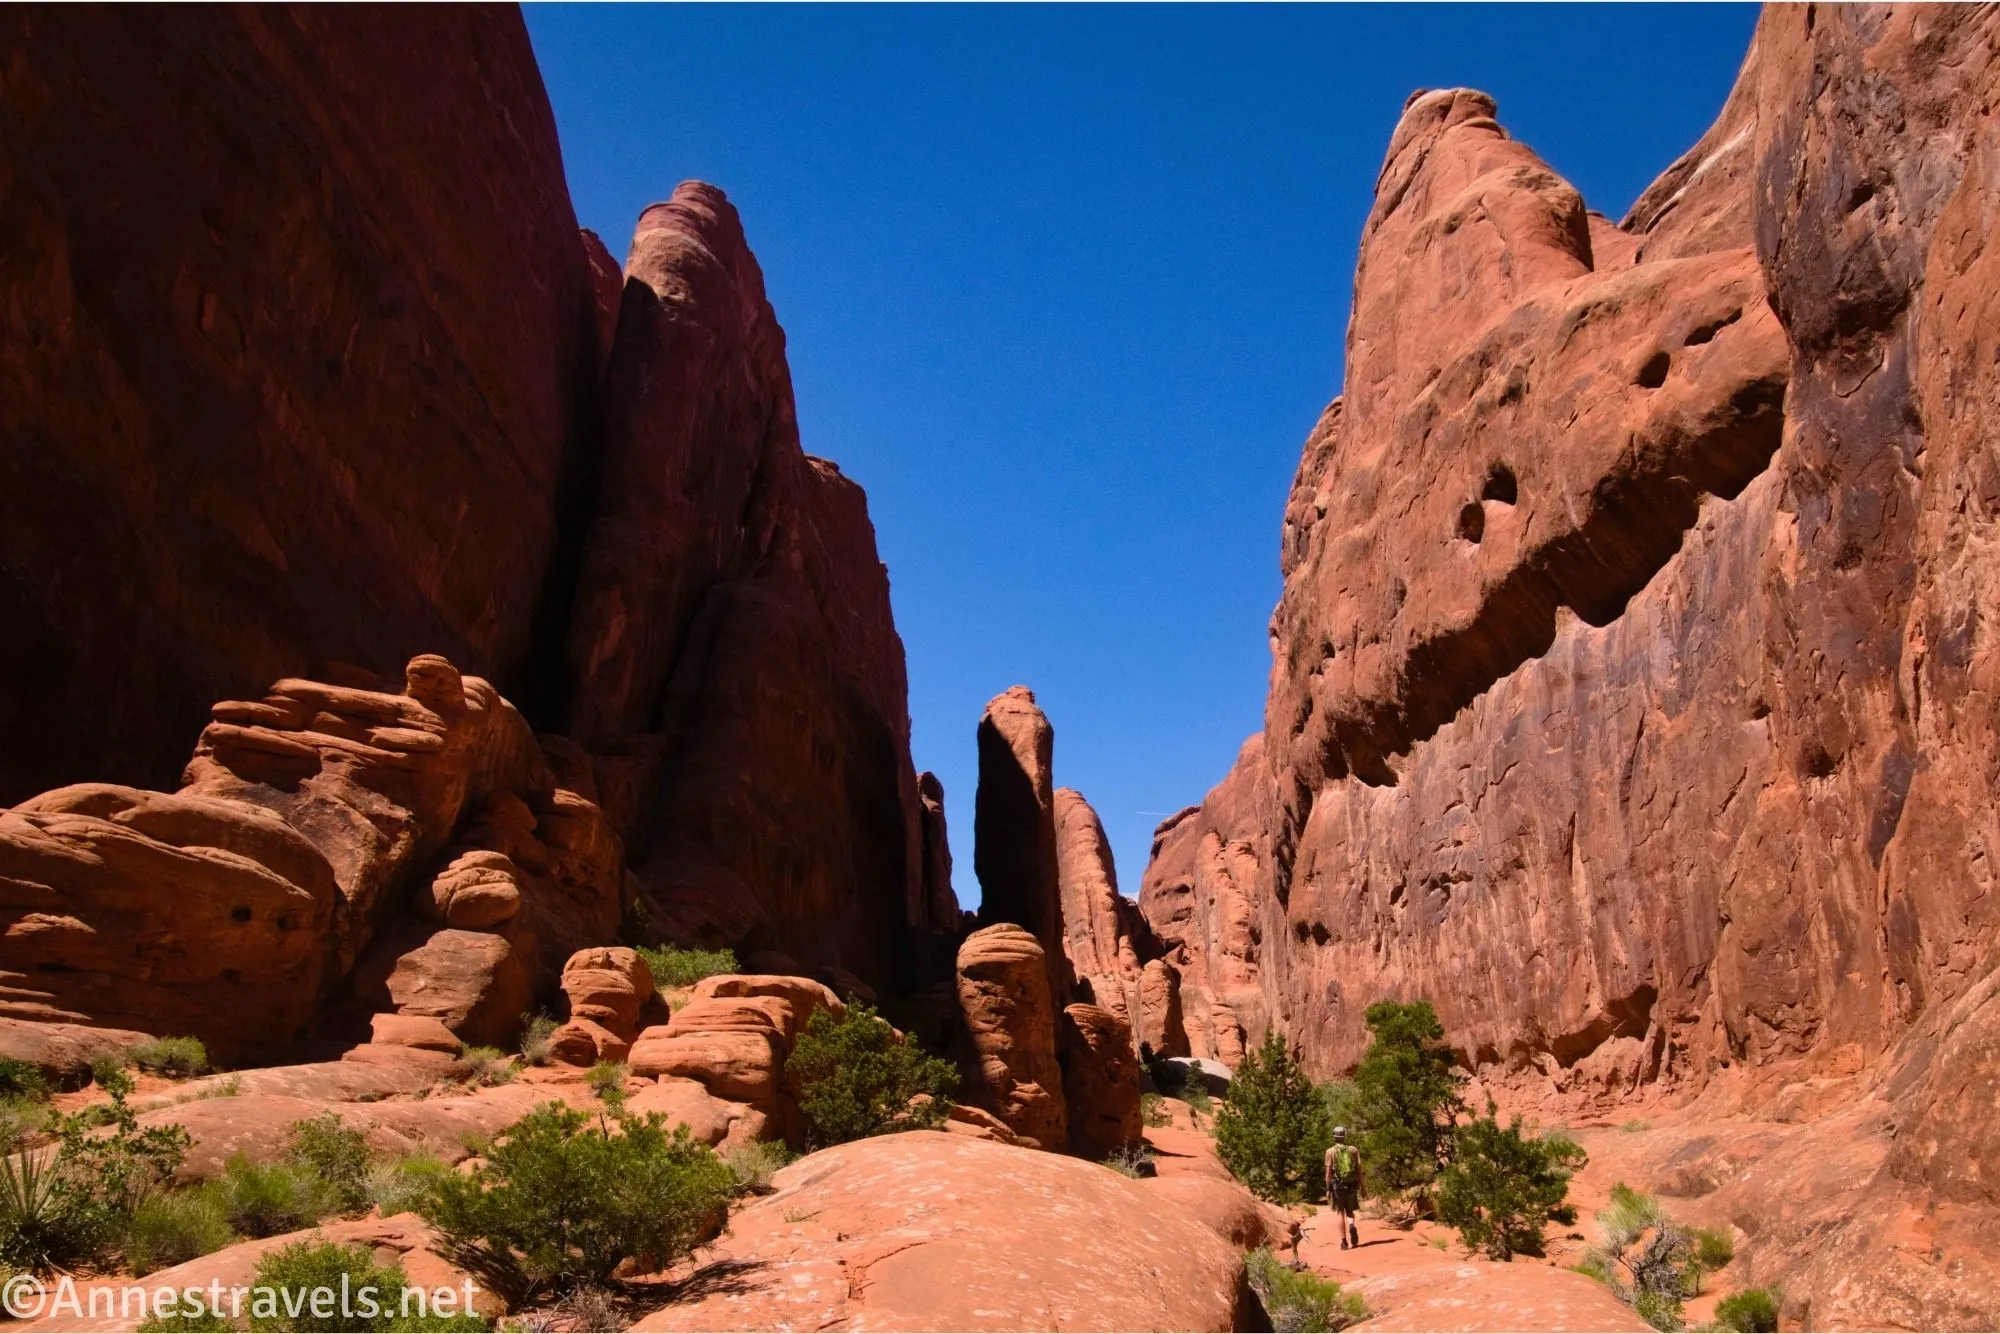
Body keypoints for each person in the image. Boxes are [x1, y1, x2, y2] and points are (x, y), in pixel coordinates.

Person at [1325, 1126, 1362, 1250]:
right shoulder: (1353, 1150)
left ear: (1334, 1136)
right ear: (1344, 1136)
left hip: (1338, 1185)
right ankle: (1351, 1225)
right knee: (1350, 1211)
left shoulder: (1330, 1151)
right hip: (1352, 1184)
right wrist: (1363, 1186)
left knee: (1340, 1212)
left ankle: (1344, 1242)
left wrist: (1327, 1188)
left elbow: (1328, 1172)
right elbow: (1359, 1169)